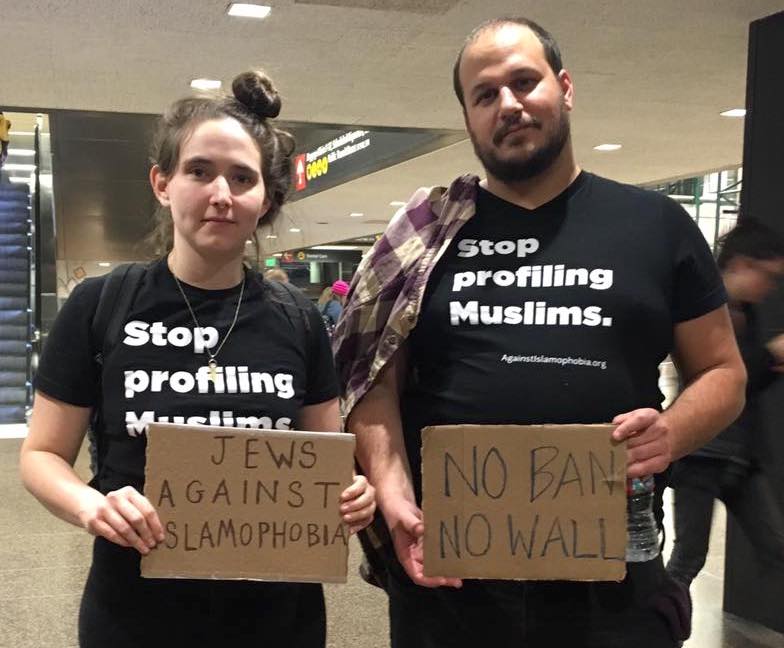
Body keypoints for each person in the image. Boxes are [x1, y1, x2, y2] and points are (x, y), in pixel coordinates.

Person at [332, 17, 746, 648]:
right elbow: (372, 386)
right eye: (485, 95)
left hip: (610, 577)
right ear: (468, 119)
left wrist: (673, 433)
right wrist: (394, 499)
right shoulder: (427, 238)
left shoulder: (657, 226)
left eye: (525, 81)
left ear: (566, 87)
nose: (509, 105)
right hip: (454, 578)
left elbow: (724, 372)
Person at [19, 70, 375, 648]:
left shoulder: (299, 320)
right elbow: (40, 456)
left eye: (242, 178)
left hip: (276, 613)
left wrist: (352, 493)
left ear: (265, 198)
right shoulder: (101, 304)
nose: (221, 194)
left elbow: (330, 462)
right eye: (199, 171)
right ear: (162, 183)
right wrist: (91, 505)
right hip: (134, 609)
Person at [666, 220, 784, 587]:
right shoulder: (702, 305)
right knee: (688, 559)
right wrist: (769, 356)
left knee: (776, 548)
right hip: (701, 454)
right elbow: (718, 381)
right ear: (742, 264)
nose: (770, 288)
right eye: (768, 276)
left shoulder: (745, 310)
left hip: (740, 457)